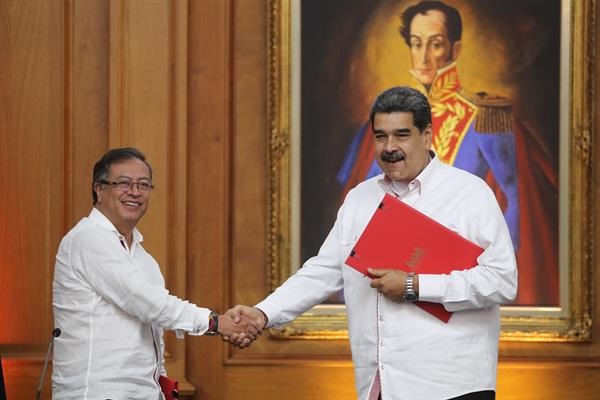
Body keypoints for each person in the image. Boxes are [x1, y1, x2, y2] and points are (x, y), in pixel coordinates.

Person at [227, 87, 517, 399]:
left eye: (402, 135)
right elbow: (323, 272)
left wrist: (414, 285)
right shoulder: (359, 199)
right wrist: (263, 313)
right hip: (379, 385)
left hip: (451, 386)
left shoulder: (470, 194)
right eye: (381, 136)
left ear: (427, 135)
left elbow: (501, 281)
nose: (390, 147)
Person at [336, 0, 557, 305]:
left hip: (458, 284)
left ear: (454, 50)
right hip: (386, 283)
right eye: (416, 44)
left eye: (435, 44)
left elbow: (516, 206)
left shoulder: (487, 118)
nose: (424, 57)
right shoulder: (380, 126)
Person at [52, 148, 259, 399]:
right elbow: (147, 303)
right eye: (124, 183)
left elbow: (154, 328)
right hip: (97, 391)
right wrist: (216, 323)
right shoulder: (87, 239)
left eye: (144, 185)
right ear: (99, 188)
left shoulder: (144, 260)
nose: (135, 192)